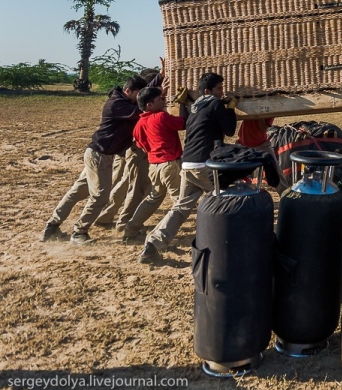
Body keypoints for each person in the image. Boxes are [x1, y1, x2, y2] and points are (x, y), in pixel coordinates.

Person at [139, 72, 237, 264]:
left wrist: (183, 104)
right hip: (204, 165)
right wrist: (231, 109)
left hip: (188, 163)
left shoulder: (195, 108)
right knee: (229, 200)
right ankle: (232, 241)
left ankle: (152, 245)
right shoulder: (215, 104)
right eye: (219, 89)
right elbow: (230, 130)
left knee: (181, 207)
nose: (222, 92)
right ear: (207, 91)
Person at [41, 75, 148, 244]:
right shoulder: (118, 104)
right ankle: (79, 232)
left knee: (77, 192)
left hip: (98, 155)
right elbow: (144, 111)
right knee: (100, 197)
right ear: (128, 91)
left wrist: (160, 76)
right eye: (139, 94)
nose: (141, 98)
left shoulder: (122, 101)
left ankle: (52, 226)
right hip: (99, 156)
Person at [95, 62, 166, 230]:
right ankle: (123, 222)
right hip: (134, 149)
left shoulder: (129, 101)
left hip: (128, 148)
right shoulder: (129, 106)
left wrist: (160, 76)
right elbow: (146, 107)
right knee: (133, 187)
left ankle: (106, 216)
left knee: (125, 183)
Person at [120, 86, 186, 243]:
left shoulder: (139, 125)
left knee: (153, 199)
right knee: (180, 202)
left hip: (154, 166)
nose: (163, 101)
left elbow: (142, 146)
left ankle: (131, 230)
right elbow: (183, 123)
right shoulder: (161, 117)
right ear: (149, 105)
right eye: (159, 99)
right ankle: (160, 237)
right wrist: (182, 104)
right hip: (169, 165)